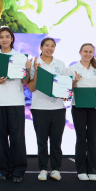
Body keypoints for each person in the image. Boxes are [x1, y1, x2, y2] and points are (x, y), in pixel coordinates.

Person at [0, 27, 31, 183]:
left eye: (7, 36)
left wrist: (27, 70)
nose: (4, 39)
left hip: (15, 102)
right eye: (1, 37)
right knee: (1, 138)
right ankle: (3, 170)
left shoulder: (20, 57)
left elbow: (26, 81)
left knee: (17, 138)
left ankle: (18, 171)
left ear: (12, 39)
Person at [28, 38, 66, 181]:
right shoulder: (34, 63)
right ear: (41, 47)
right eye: (47, 46)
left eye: (52, 46)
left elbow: (65, 86)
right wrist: (37, 70)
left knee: (56, 142)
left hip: (58, 108)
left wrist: (67, 93)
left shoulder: (60, 64)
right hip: (39, 108)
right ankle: (43, 169)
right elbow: (31, 88)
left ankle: (56, 170)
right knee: (42, 142)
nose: (49, 48)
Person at [67, 44, 96, 181]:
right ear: (80, 52)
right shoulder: (71, 69)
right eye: (85, 51)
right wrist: (74, 81)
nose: (88, 54)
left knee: (92, 139)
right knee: (81, 138)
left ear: (93, 53)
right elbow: (68, 90)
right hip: (79, 107)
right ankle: (81, 170)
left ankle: (92, 170)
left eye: (90, 52)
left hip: (95, 108)